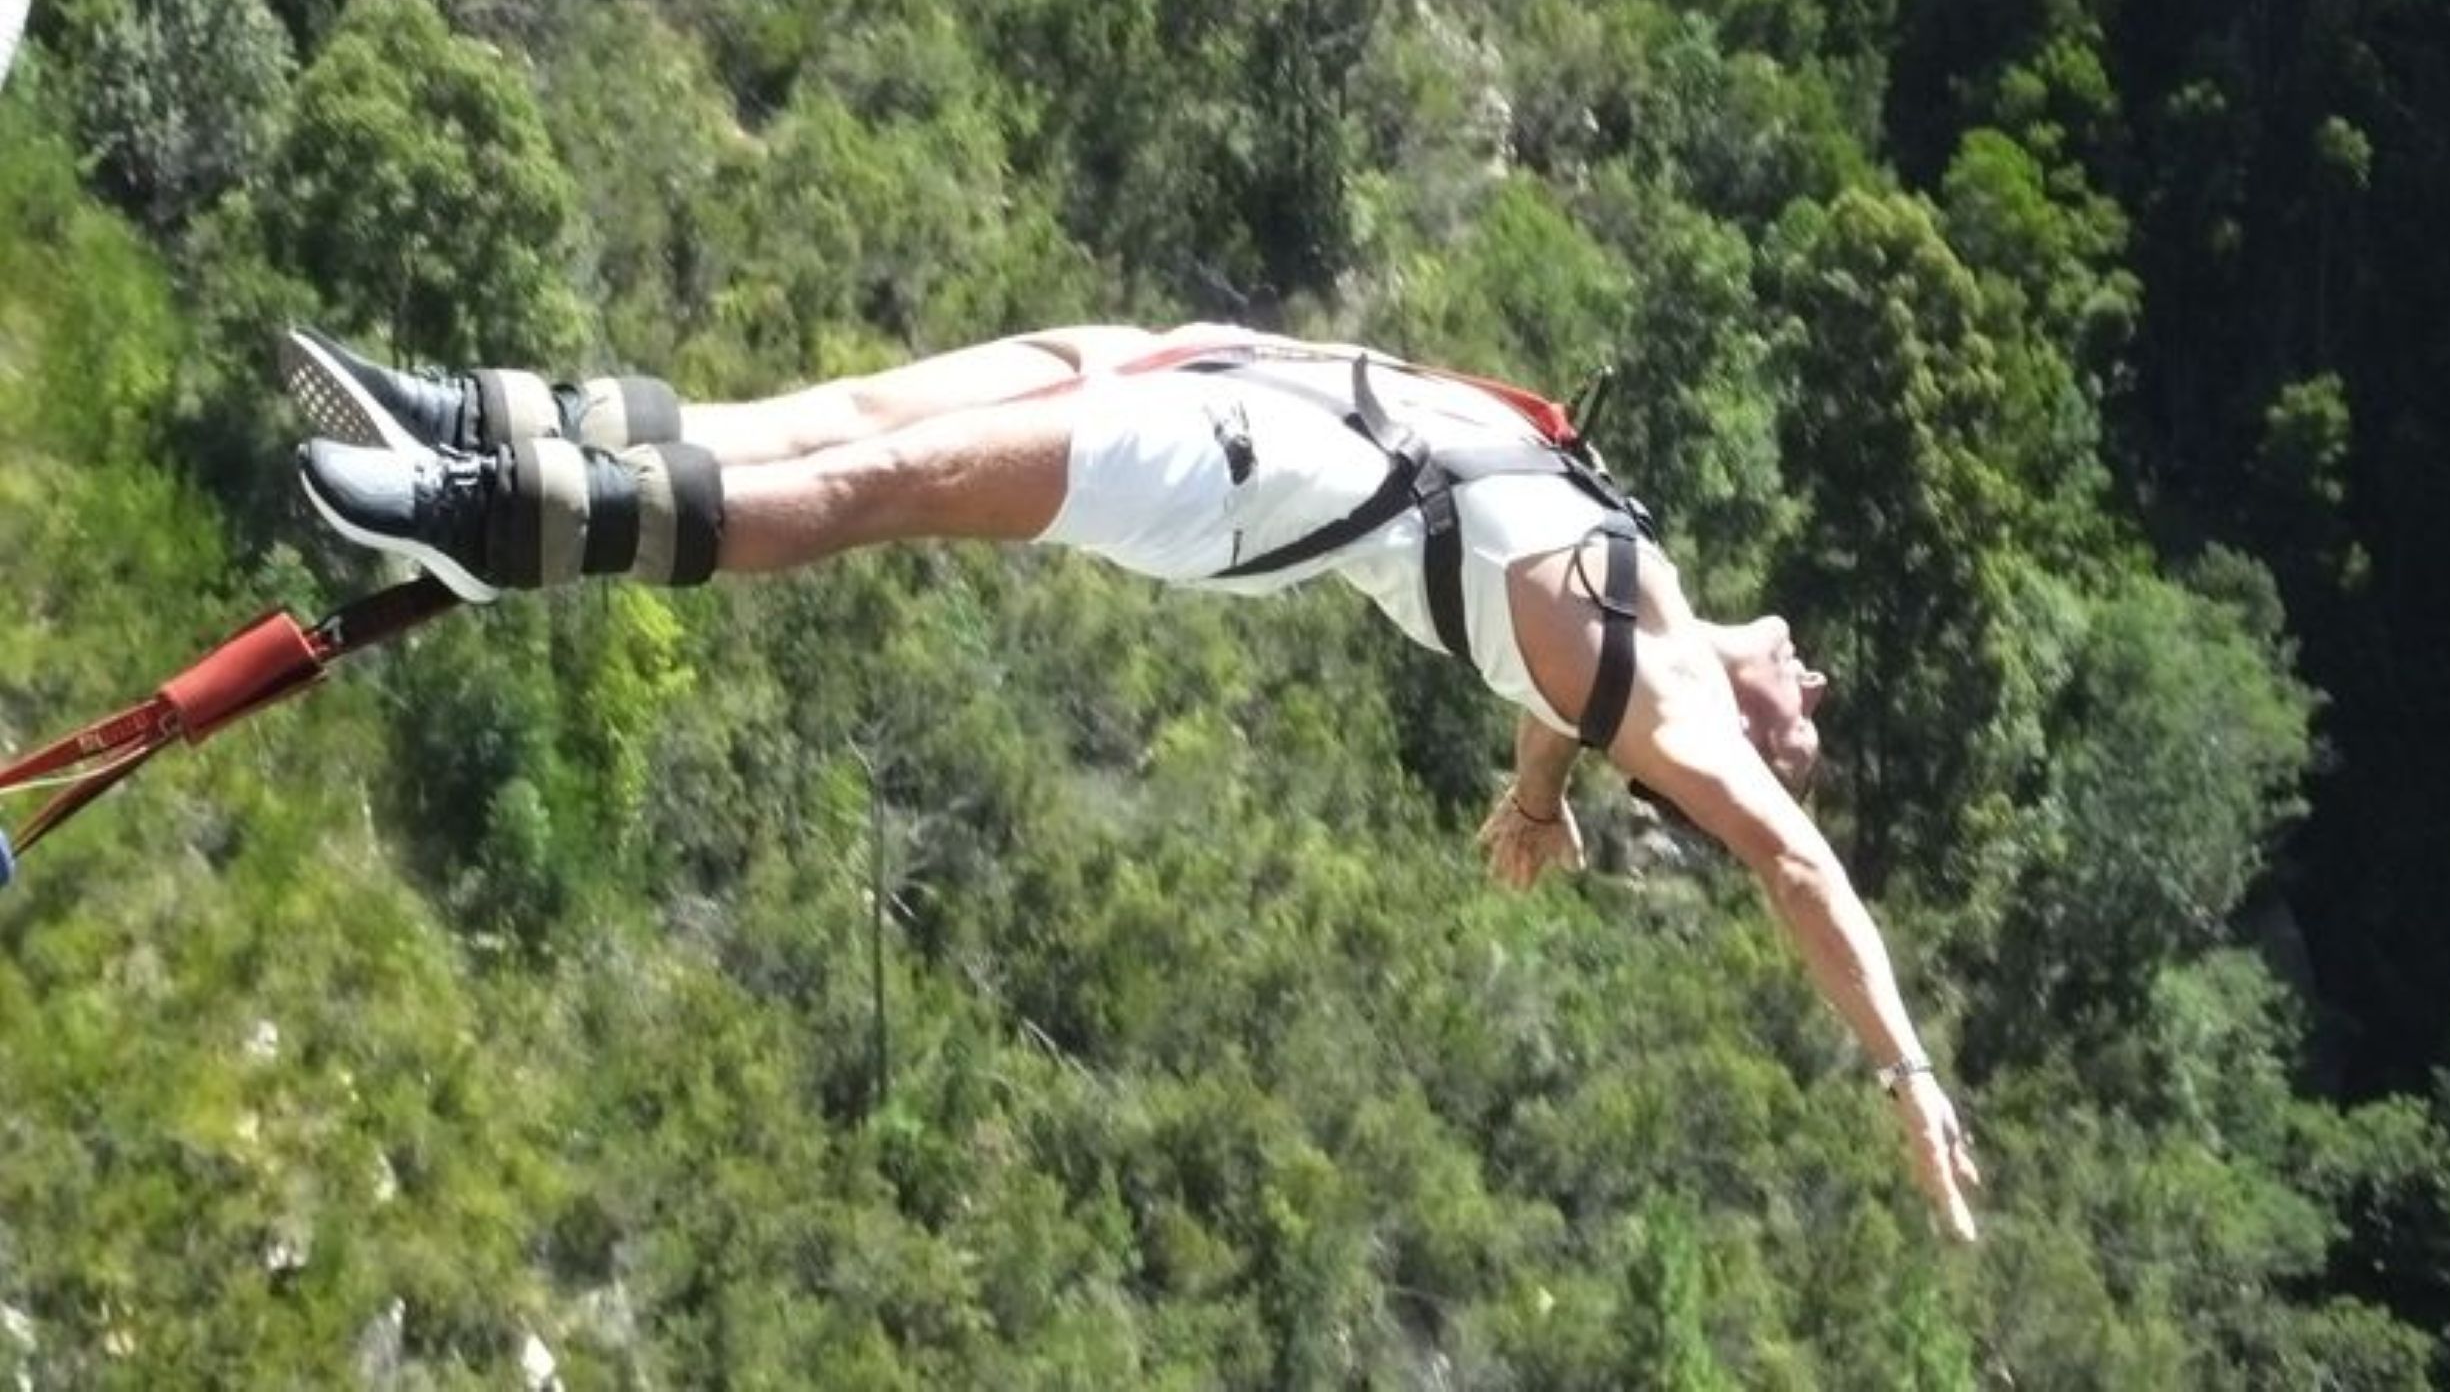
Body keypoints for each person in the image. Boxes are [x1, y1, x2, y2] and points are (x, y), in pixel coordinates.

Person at [286, 320, 1982, 1242]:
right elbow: (1583, 671)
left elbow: (1798, 873)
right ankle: (498, 431)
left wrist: (1901, 1068)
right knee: (841, 402)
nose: (1815, 689)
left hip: (1243, 478)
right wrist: (1537, 794)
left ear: (1736, 750)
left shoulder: (1670, 693)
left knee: (881, 480)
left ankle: (493, 527)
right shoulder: (1650, 610)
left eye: (1804, 733)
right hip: (1236, 374)